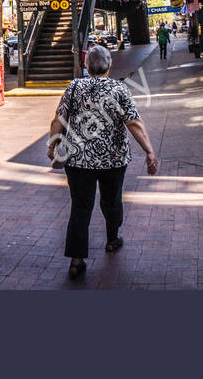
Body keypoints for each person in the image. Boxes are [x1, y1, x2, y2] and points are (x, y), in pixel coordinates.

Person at [47, 44, 158, 280]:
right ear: (109, 66)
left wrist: (51, 144)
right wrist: (149, 151)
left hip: (78, 161)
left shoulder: (74, 87)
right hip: (113, 160)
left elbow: (59, 118)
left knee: (80, 207)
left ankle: (77, 260)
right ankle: (112, 239)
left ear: (87, 67)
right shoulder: (119, 89)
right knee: (112, 199)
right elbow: (134, 123)